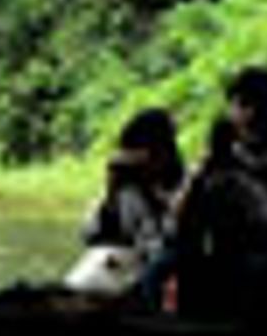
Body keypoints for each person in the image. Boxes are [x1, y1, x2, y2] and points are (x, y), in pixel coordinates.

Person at [146, 64, 267, 321]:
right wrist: (204, 170)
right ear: (232, 110)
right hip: (230, 274)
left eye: (263, 104)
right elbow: (178, 229)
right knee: (168, 261)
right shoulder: (214, 167)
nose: (253, 113)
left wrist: (263, 174)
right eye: (244, 104)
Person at [68, 107, 185, 295]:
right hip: (117, 269)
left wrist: (152, 195)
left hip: (158, 275)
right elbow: (90, 235)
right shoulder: (125, 187)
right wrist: (111, 193)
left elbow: (170, 238)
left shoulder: (184, 185)